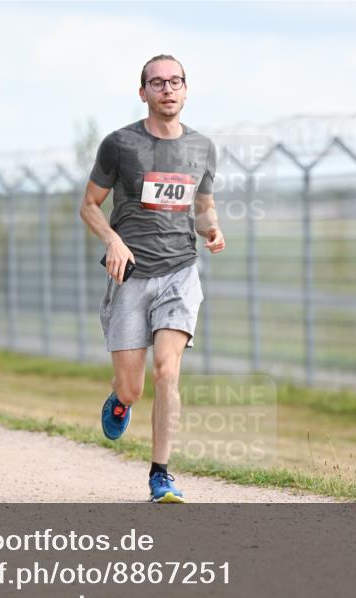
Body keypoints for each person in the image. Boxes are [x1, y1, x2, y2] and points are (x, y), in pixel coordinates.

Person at [79, 54, 225, 503]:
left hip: (181, 271)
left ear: (185, 89)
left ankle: (160, 474)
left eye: (175, 81)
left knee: (167, 370)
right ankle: (119, 400)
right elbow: (89, 205)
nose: (167, 89)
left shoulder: (202, 148)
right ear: (142, 92)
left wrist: (212, 229)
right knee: (133, 386)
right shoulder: (120, 145)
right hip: (131, 274)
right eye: (157, 82)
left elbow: (202, 205)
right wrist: (112, 240)